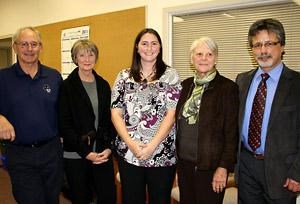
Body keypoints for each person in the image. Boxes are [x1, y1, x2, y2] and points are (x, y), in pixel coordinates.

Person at [111, 28, 181, 204]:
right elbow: (116, 113)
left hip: (162, 154)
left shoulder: (170, 75)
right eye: (144, 43)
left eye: (154, 43)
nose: (149, 48)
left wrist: (151, 147)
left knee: (160, 200)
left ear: (160, 47)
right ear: (137, 47)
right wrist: (132, 144)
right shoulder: (123, 76)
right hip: (129, 153)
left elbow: (171, 114)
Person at [236, 18, 300, 203]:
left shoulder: (296, 84)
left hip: (283, 172)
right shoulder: (242, 81)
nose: (263, 51)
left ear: (282, 46)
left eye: (269, 43)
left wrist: (297, 172)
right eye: (257, 45)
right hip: (246, 167)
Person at [0, 27, 63, 204]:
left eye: (34, 44)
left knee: (52, 199)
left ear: (40, 47)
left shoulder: (53, 76)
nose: (29, 49)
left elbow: (64, 111)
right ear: (15, 47)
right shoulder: (3, 78)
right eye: (24, 44)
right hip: (20, 154)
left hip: (51, 153)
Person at [175, 37, 239, 204]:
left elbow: (232, 134)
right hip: (185, 166)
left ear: (216, 59)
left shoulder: (228, 88)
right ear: (192, 58)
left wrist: (223, 168)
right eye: (199, 54)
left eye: (209, 54)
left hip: (211, 169)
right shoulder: (185, 86)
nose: (204, 58)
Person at [58, 39, 116, 204]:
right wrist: (86, 153)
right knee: (81, 198)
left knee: (107, 198)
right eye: (82, 55)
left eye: (91, 54)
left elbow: (110, 119)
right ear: (75, 58)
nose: (87, 59)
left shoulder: (103, 85)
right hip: (76, 154)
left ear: (96, 57)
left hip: (102, 153)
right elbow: (64, 125)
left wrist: (109, 148)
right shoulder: (67, 86)